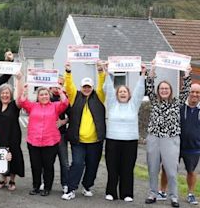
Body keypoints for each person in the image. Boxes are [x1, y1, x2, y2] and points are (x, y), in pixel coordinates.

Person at [144, 61, 191, 208]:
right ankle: (153, 193)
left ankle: (174, 197)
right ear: (158, 91)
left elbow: (185, 90)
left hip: (171, 139)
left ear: (170, 90)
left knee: (171, 170)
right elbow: (150, 84)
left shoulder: (177, 102)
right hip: (154, 137)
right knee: (152, 168)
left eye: (167, 88)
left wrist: (187, 74)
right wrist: (152, 70)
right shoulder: (154, 101)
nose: (164, 90)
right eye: (162, 88)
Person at [62, 60, 106, 200]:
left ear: (92, 87)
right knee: (77, 163)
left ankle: (87, 186)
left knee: (92, 165)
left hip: (95, 140)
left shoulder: (99, 96)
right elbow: (69, 86)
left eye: (89, 87)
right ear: (81, 87)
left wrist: (100, 71)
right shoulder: (75, 97)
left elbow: (102, 84)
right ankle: (71, 189)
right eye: (84, 87)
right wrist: (68, 72)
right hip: (78, 140)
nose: (87, 89)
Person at [102, 63, 146, 202]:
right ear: (117, 94)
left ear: (129, 94)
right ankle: (111, 192)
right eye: (120, 91)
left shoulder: (133, 106)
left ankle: (127, 193)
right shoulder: (112, 104)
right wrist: (107, 72)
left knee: (127, 168)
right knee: (112, 168)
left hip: (130, 142)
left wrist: (142, 74)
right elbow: (109, 89)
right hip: (113, 141)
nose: (122, 93)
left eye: (125, 91)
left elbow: (139, 91)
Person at [18, 79, 69, 196]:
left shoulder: (56, 106)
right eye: (41, 94)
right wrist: (24, 90)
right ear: (38, 96)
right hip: (33, 141)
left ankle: (47, 187)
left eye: (46, 94)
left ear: (49, 95)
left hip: (50, 142)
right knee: (35, 166)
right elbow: (22, 102)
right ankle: (36, 186)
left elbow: (65, 103)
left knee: (48, 166)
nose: (44, 96)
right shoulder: (32, 106)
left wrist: (61, 91)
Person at [0, 71, 24, 191]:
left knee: (13, 157)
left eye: (7, 93)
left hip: (12, 136)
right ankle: (3, 178)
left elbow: (20, 96)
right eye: (3, 93)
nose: (5, 95)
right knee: (0, 157)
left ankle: (12, 180)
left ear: (10, 94)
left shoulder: (15, 106)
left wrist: (19, 79)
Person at [180, 83, 200, 205]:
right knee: (167, 169)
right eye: (192, 91)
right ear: (188, 92)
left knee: (191, 171)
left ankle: (191, 194)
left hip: (194, 148)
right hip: (176, 145)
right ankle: (163, 191)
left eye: (197, 92)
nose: (194, 94)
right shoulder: (180, 107)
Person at [50, 77, 70, 194]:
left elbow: (73, 115)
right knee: (47, 161)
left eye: (60, 84)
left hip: (61, 134)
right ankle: (45, 182)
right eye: (56, 84)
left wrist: (63, 121)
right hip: (48, 135)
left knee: (64, 161)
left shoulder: (66, 98)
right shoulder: (45, 97)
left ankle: (65, 184)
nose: (58, 86)